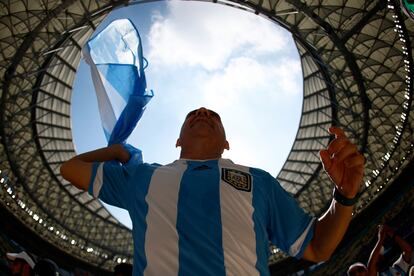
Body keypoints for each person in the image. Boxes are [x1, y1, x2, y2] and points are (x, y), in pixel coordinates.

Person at [61, 107, 365, 275]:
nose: (203, 112)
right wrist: (117, 151)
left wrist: (345, 195)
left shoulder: (258, 180)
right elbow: (70, 168)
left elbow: (315, 247)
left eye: (214, 116)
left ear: (227, 143)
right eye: (193, 114)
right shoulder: (142, 176)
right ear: (177, 141)